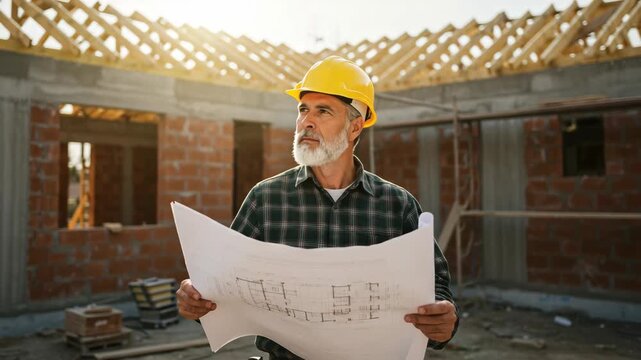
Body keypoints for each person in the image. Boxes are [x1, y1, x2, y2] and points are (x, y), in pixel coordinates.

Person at [176, 55, 458, 359]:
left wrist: (444, 321)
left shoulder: (397, 205)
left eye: (323, 111)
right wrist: (196, 298)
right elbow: (221, 284)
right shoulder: (266, 200)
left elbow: (435, 283)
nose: (306, 122)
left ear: (355, 127)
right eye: (302, 109)